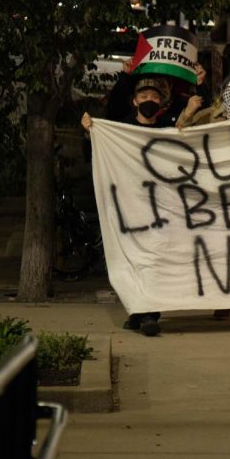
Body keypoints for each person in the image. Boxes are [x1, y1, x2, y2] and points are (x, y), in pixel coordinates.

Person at [82, 76, 174, 336]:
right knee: (131, 260)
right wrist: (90, 131)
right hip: (127, 208)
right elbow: (100, 145)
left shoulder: (167, 128)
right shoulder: (122, 129)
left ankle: (150, 314)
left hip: (159, 210)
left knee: (154, 260)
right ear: (134, 102)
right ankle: (137, 310)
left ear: (161, 103)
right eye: (143, 98)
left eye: (153, 98)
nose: (148, 101)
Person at [176, 65, 230, 327]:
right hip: (212, 197)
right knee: (217, 250)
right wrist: (187, 114)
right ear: (222, 93)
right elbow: (179, 138)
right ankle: (221, 301)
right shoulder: (207, 117)